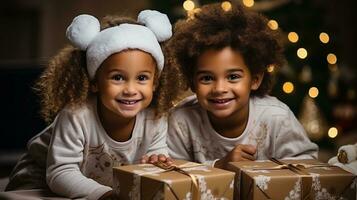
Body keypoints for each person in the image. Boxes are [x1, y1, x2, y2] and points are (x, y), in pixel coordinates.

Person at [4, 10, 173, 200]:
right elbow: (61, 173)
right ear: (94, 82)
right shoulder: (76, 115)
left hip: (97, 189)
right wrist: (104, 194)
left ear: (155, 83)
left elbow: (155, 151)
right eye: (118, 78)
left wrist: (156, 160)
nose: (130, 89)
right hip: (39, 181)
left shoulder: (156, 116)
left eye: (142, 78)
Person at [165, 3, 318, 169]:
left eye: (233, 77)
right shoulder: (181, 121)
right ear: (192, 82)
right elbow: (173, 174)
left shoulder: (277, 117)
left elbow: (306, 164)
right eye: (207, 78)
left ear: (255, 80)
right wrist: (220, 166)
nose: (219, 89)